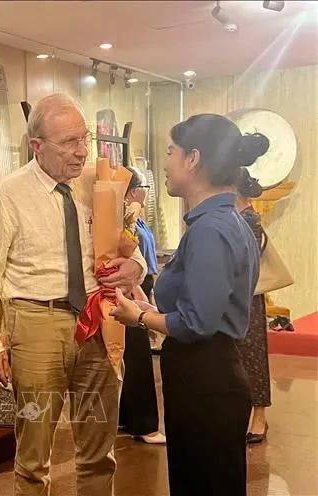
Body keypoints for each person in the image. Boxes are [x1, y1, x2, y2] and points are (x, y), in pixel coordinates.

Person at [0, 93, 147, 496]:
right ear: (37, 146)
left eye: (84, 139)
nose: (81, 151)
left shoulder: (97, 183)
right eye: (69, 142)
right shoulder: (10, 192)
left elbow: (129, 245)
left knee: (99, 451)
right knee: (34, 455)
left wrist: (135, 266)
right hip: (34, 323)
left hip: (97, 319)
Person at [111, 113, 267, 496]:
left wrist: (143, 316)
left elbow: (198, 322)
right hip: (210, 377)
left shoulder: (211, 230)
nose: (165, 162)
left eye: (170, 152)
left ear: (193, 159)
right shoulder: (225, 221)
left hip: (205, 382)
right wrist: (151, 303)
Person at [118, 167, 166, 444]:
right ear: (134, 190)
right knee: (136, 356)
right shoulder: (126, 216)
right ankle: (143, 424)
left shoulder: (135, 218)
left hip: (141, 283)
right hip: (132, 289)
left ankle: (130, 418)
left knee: (133, 355)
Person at [234, 168, 271, 443]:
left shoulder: (248, 218)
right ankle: (246, 412)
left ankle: (260, 416)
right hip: (237, 295)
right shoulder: (237, 215)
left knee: (253, 356)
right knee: (240, 356)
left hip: (248, 295)